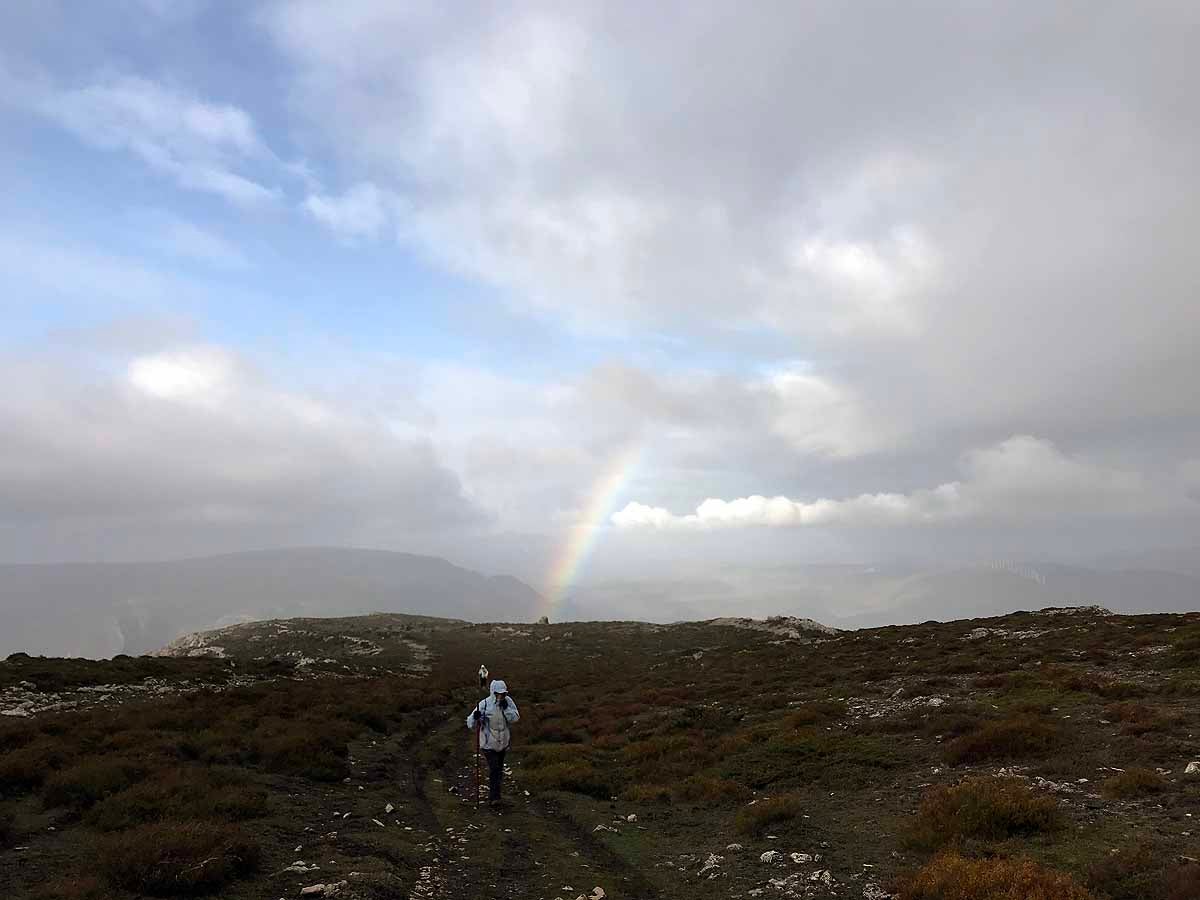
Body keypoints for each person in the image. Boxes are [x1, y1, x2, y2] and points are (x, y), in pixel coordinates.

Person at [466, 679, 519, 805]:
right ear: (492, 692)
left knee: (499, 770)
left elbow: (515, 718)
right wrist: (476, 717)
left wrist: (507, 710)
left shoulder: (508, 702)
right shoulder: (484, 704)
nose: (500, 696)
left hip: (503, 743)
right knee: (494, 768)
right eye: (497, 693)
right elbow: (470, 723)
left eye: (503, 693)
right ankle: (494, 798)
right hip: (488, 743)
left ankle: (496, 795)